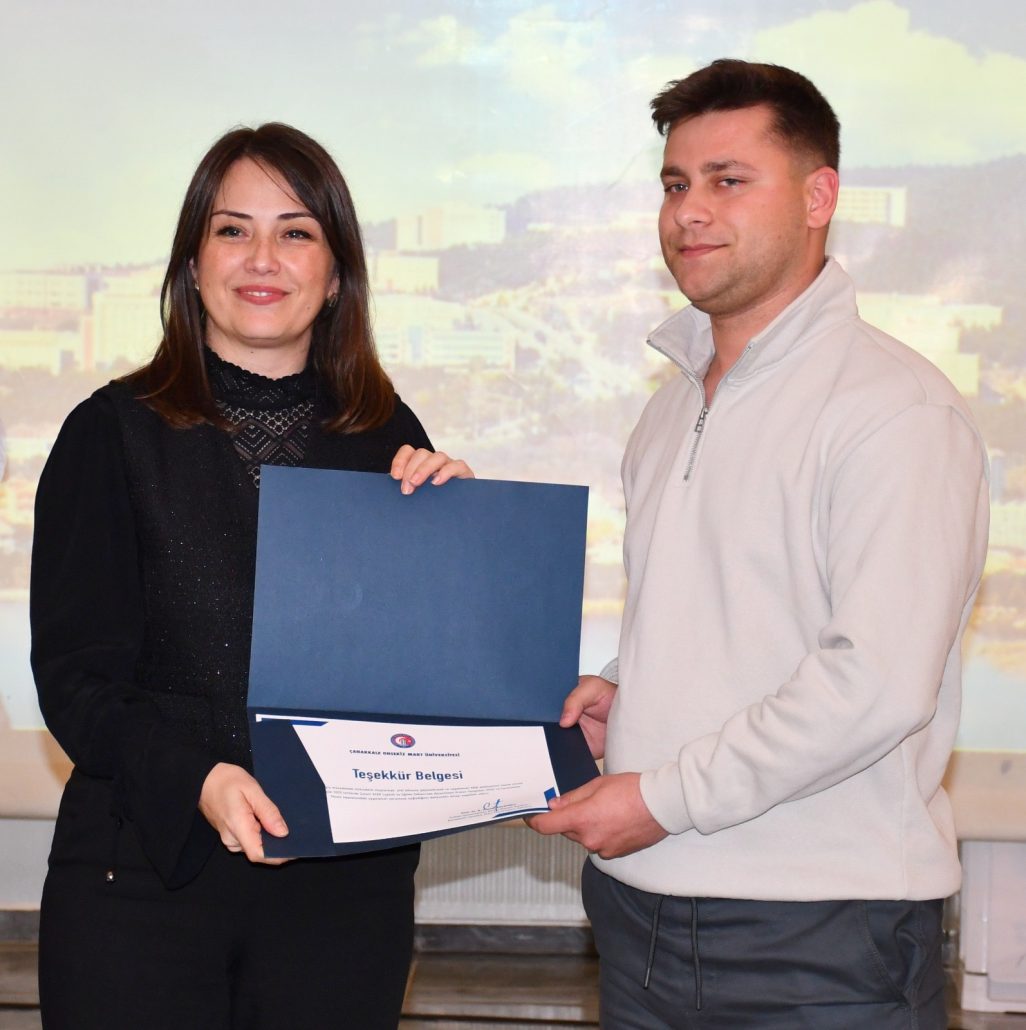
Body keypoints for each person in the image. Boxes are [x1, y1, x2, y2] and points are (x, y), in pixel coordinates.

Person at [528, 60, 989, 1028]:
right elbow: (732, 615)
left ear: (819, 197)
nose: (689, 212)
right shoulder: (666, 411)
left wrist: (662, 795)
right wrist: (630, 688)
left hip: (821, 940)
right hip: (640, 918)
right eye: (674, 183)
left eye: (728, 180)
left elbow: (875, 682)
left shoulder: (895, 410)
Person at [30, 122, 472, 1030]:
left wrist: (459, 539)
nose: (262, 258)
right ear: (193, 265)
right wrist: (200, 777)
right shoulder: (108, 432)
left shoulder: (390, 437)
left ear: (336, 273)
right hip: (139, 877)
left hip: (342, 894)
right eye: (233, 229)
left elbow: (422, 675)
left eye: (296, 231)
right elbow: (76, 680)